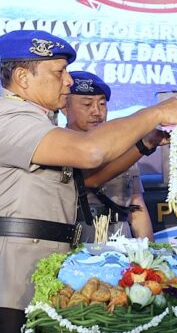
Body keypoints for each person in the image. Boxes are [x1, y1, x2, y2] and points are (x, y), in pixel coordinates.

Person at [0, 30, 177, 333]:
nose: (68, 81)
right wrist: (155, 112)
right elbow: (91, 152)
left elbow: (89, 180)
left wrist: (145, 142)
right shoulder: (6, 117)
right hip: (1, 288)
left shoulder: (39, 122)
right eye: (59, 72)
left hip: (32, 279)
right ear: (22, 77)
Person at [63, 70, 158, 241]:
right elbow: (91, 180)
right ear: (64, 107)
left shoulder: (124, 147)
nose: (97, 112)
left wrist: (149, 252)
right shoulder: (58, 147)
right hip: (79, 239)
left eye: (102, 104)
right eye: (86, 105)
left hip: (121, 237)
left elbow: (137, 205)